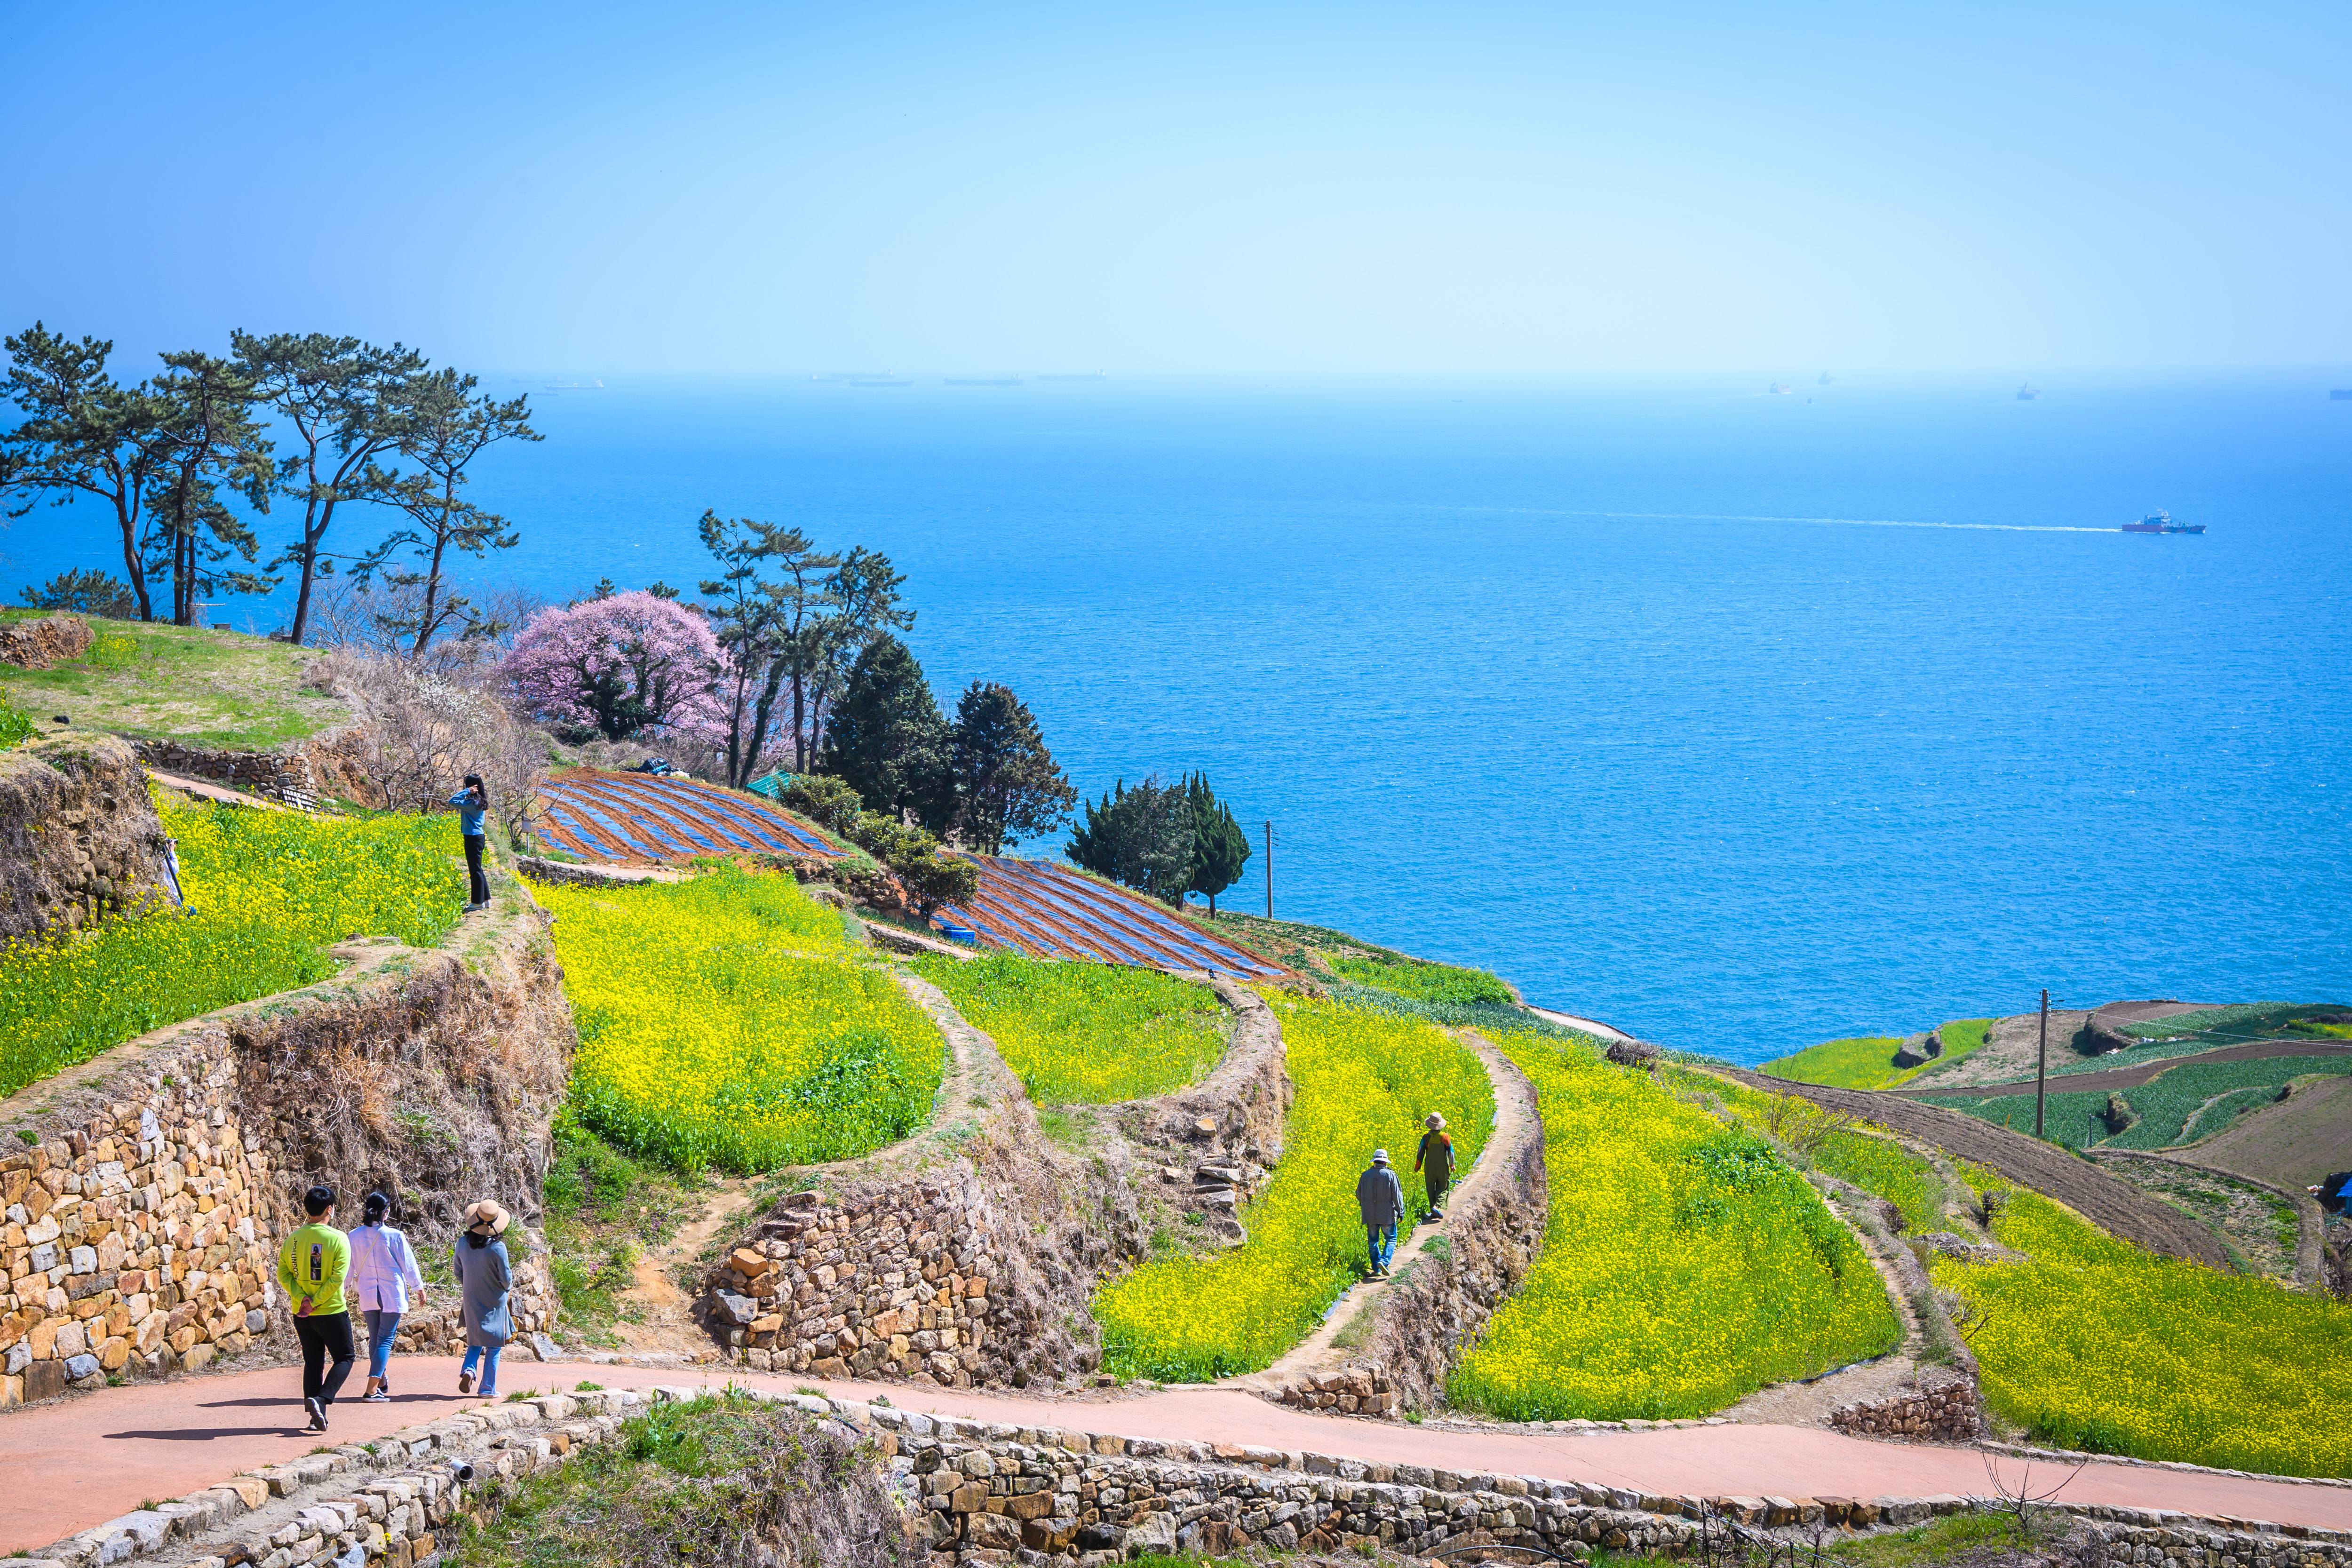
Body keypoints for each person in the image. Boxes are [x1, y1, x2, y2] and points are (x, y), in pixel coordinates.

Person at [276, 1183, 354, 1433]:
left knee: (313, 1363)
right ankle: (321, 1400)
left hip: (301, 1313)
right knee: (345, 1357)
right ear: (330, 1209)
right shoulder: (338, 1238)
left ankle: (315, 1418)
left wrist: (302, 1298)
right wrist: (316, 1301)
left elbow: (283, 1273)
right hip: (331, 1310)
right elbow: (337, 1278)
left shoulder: (293, 1238)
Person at [348, 1191, 427, 1403]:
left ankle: (381, 1381)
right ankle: (372, 1389)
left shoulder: (353, 1235)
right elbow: (408, 1264)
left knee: (375, 1339)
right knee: (385, 1340)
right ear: (386, 1212)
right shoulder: (394, 1236)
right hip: (391, 1293)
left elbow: (349, 1266)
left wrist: (344, 1289)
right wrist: (418, 1287)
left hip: (368, 1293)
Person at [453, 1199, 514, 1397]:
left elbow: (458, 1272)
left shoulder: (462, 1243)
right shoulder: (498, 1248)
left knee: (475, 1340)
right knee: (494, 1346)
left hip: (471, 1298)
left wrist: (470, 1284)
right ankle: (487, 1389)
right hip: (495, 1300)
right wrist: (505, 1287)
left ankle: (469, 1370)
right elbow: (506, 1278)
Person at [1355, 1149, 1406, 1278]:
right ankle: (1384, 1261)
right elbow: (1397, 1195)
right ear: (1385, 1162)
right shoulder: (1390, 1175)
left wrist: (1367, 1204)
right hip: (1386, 1215)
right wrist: (1401, 1211)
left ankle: (1376, 1268)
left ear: (1375, 1161)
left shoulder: (1365, 1175)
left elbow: (1358, 1194)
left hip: (1370, 1215)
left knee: (1373, 1241)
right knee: (1391, 1238)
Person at [448, 775, 490, 911]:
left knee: (475, 870)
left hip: (472, 837)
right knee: (478, 869)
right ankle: (485, 899)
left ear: (472, 787)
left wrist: (466, 791)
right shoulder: (480, 801)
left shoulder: (472, 803)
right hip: (478, 837)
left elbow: (452, 801)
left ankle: (477, 903)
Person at [1414, 1112, 1455, 1222]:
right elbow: (1451, 1151)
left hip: (1429, 1167)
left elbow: (1420, 1153)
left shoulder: (1425, 1138)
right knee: (1444, 1187)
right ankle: (1436, 1207)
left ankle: (1433, 1210)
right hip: (1442, 1167)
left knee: (1431, 1189)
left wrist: (1417, 1167)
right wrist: (1452, 1164)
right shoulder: (1445, 1137)